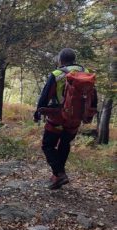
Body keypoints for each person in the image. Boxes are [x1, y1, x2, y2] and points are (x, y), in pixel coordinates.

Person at [34, 48, 97, 190]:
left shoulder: (57, 74)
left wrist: (38, 111)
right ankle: (58, 177)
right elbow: (93, 96)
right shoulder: (86, 73)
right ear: (74, 59)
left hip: (57, 117)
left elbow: (45, 96)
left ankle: (59, 173)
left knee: (48, 145)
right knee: (64, 144)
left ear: (61, 60)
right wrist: (89, 115)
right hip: (75, 118)